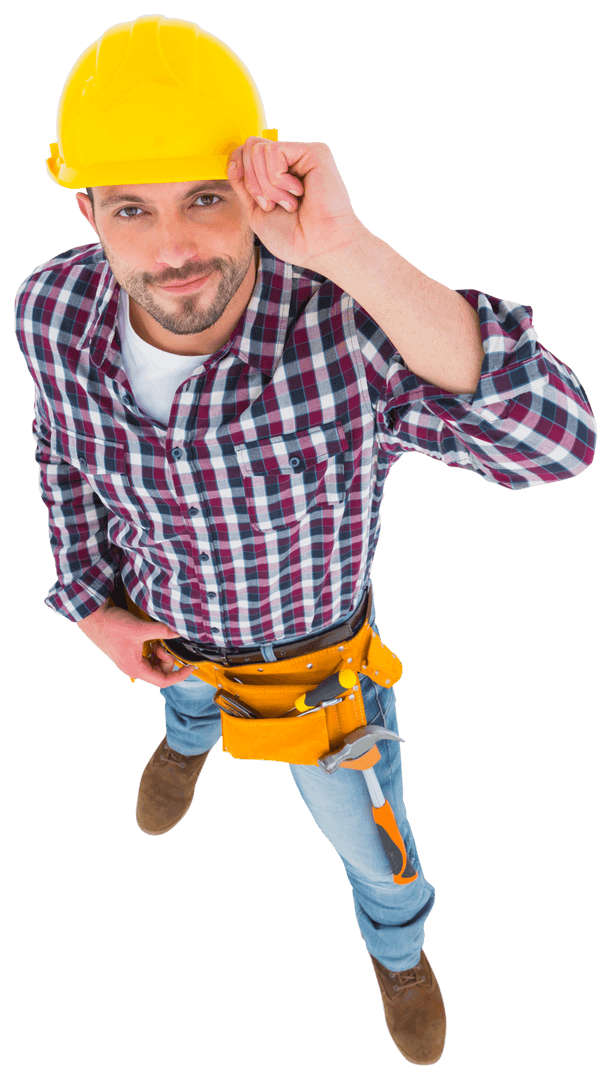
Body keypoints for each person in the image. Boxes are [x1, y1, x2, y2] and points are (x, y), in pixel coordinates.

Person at [14, 15, 596, 1068]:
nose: (176, 247)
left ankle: (398, 947)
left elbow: (552, 447)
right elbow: (63, 459)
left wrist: (347, 250)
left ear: (257, 186)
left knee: (373, 846)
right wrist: (89, 604)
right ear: (85, 209)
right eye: (131, 210)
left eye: (205, 196)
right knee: (185, 704)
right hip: (170, 641)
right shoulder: (49, 311)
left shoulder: (345, 320)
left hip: (316, 680)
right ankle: (184, 745)